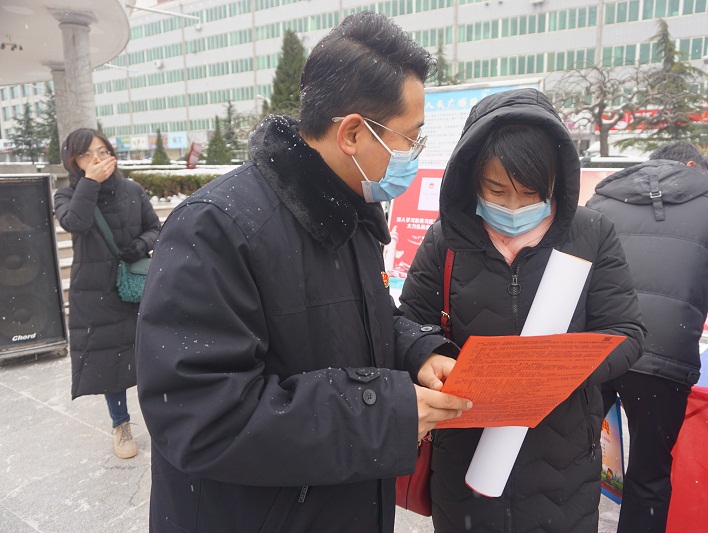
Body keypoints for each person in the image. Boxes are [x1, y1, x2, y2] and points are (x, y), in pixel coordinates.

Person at [135, 11, 471, 533]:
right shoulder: (216, 227)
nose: (414, 155)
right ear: (353, 133)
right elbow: (202, 416)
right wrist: (384, 412)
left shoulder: (351, 209)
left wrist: (415, 351)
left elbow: (361, 316)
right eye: (410, 138)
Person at [399, 88, 645, 532]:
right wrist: (428, 355)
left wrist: (555, 370)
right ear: (472, 178)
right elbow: (408, 324)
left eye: (530, 193)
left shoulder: (591, 233)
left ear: (555, 182)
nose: (512, 208)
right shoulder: (446, 240)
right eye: (496, 190)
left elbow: (626, 331)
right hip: (463, 459)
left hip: (562, 463)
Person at [586, 141, 708, 532]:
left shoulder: (602, 199)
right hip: (665, 357)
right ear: (693, 165)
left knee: (574, 460)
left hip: (597, 350)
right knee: (650, 474)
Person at [53, 128, 160, 459]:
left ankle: (165, 419)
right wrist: (90, 183)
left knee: (152, 357)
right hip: (95, 290)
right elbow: (75, 223)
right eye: (86, 155)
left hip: (137, 286)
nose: (96, 159)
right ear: (73, 161)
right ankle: (121, 424)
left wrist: (139, 246)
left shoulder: (132, 190)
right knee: (109, 360)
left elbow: (155, 228)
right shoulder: (67, 195)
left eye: (102, 151)